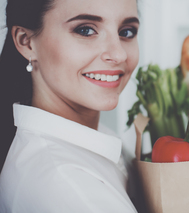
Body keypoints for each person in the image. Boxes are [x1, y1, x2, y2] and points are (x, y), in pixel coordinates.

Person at [0, 0, 141, 212]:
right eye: (86, 30)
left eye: (127, 32)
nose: (119, 54)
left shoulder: (95, 139)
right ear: (26, 42)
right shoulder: (70, 188)